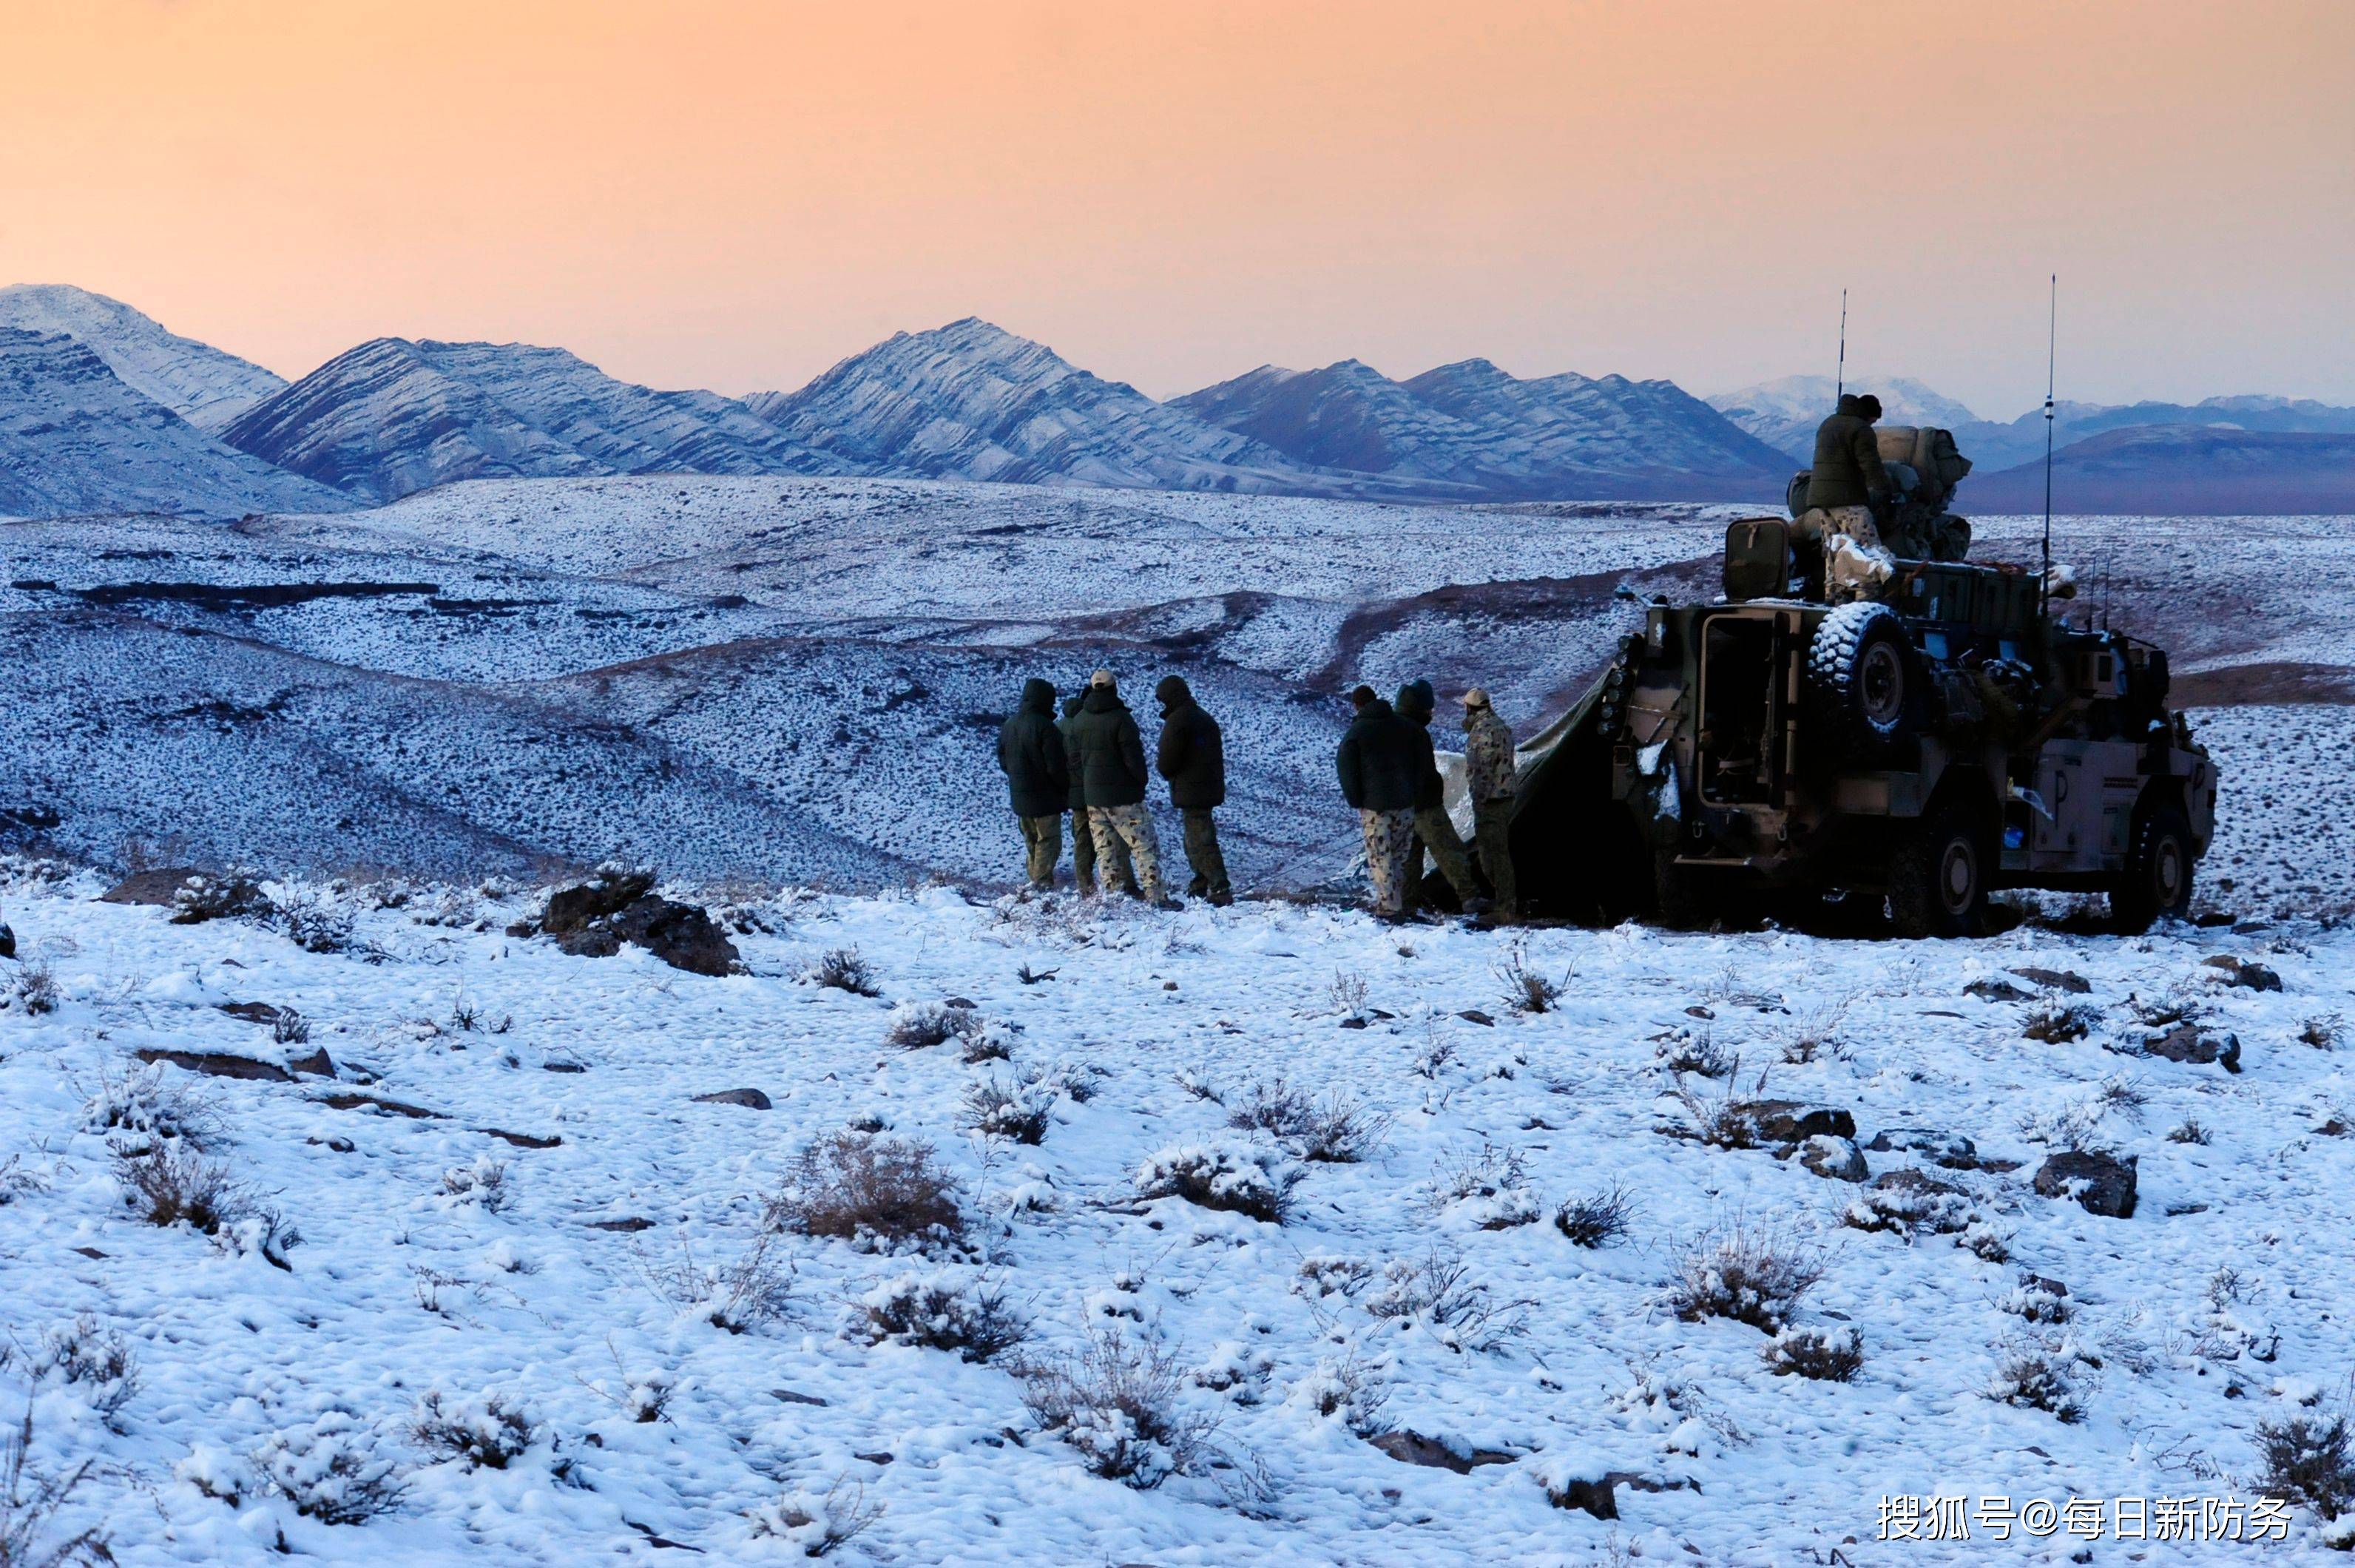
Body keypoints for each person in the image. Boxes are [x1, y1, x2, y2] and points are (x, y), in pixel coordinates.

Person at [1066, 669, 1175, 908]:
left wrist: (1090, 778)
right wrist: (1139, 782)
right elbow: (1134, 759)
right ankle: (1156, 896)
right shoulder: (1122, 719)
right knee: (1143, 847)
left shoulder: (1080, 719)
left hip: (1093, 797)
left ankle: (1113, 898)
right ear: (1114, 687)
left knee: (1105, 850)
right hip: (1124, 796)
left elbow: (1073, 759)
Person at [1393, 679, 1486, 915]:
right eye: (1429, 708)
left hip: (1400, 807)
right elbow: (1424, 771)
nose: (1431, 712)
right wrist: (1434, 789)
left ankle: (1406, 905)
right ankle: (1470, 898)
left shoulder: (1393, 728)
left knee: (1409, 859)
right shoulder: (1416, 732)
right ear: (1420, 707)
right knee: (1450, 851)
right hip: (1425, 805)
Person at [1801, 391, 1898, 603]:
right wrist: (1886, 491)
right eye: (1874, 420)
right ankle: (1867, 598)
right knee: (1867, 550)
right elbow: (1870, 465)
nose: (1873, 424)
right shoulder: (1860, 429)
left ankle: (1834, 596)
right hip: (1848, 499)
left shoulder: (1828, 424)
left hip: (1821, 500)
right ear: (1869, 414)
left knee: (1835, 550)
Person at [1334, 683, 1419, 919]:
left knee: (1381, 858)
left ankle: (1390, 908)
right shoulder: (1403, 726)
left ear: (1356, 705)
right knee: (1400, 857)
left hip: (1376, 807)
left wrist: (1356, 800)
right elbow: (1420, 760)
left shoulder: (1356, 733)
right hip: (1406, 802)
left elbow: (1346, 769)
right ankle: (1400, 902)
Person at [1154, 675, 1231, 906]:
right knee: (1196, 839)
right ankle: (1201, 883)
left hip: (1191, 788)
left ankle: (1219, 886)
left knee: (1200, 840)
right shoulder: (1202, 716)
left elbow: (1167, 761)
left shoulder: (1178, 720)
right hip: (1207, 786)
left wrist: (1167, 772)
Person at [995, 677, 1068, 892]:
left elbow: (1003, 761)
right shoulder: (1046, 728)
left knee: (1032, 842)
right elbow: (1056, 767)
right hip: (1046, 798)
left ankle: (1033, 885)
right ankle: (1041, 887)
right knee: (1049, 841)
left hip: (1020, 797)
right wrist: (1064, 790)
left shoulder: (1009, 724)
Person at [1061, 694, 1137, 897]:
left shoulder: (1061, 727)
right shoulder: (1092, 727)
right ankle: (1126, 884)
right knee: (1117, 840)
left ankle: (1086, 887)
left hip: (1077, 795)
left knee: (1084, 842)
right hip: (1103, 793)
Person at [1461, 686, 1518, 921]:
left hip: (1490, 799)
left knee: (1493, 855)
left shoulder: (1482, 731)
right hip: (1504, 796)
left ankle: (1505, 907)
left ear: (1469, 708)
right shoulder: (1501, 726)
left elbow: (1482, 771)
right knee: (1497, 852)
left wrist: (1479, 799)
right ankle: (1504, 902)